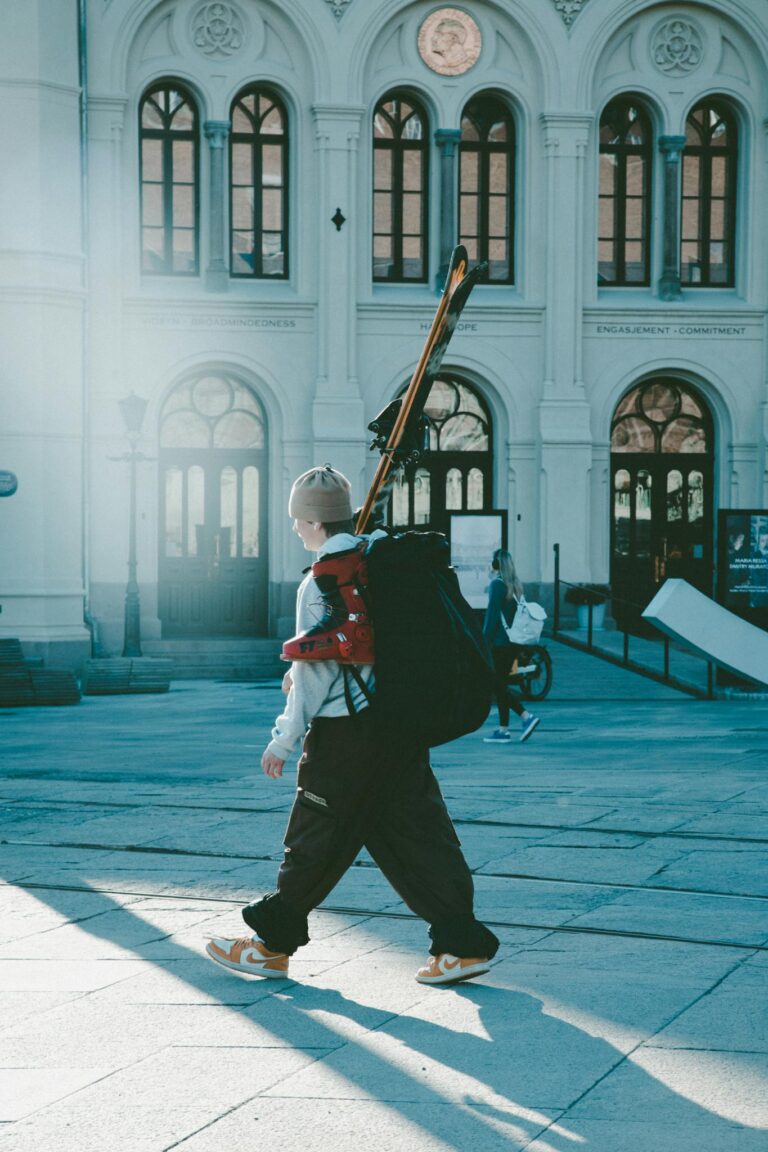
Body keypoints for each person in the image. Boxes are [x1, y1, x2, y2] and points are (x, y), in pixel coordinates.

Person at [206, 464, 499, 986]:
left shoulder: (323, 577)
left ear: (312, 522)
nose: (296, 528)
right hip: (395, 723)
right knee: (419, 835)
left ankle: (270, 947)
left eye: (298, 519)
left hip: (346, 734)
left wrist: (284, 738)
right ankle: (462, 945)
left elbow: (313, 669)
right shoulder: (375, 558)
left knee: (315, 834)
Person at [482, 548, 540, 744]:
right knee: (501, 685)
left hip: (499, 644)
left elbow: (491, 619)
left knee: (496, 684)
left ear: (496, 564)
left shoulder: (497, 585)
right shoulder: (514, 586)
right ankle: (503, 730)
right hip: (513, 643)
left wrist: (483, 643)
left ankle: (526, 716)